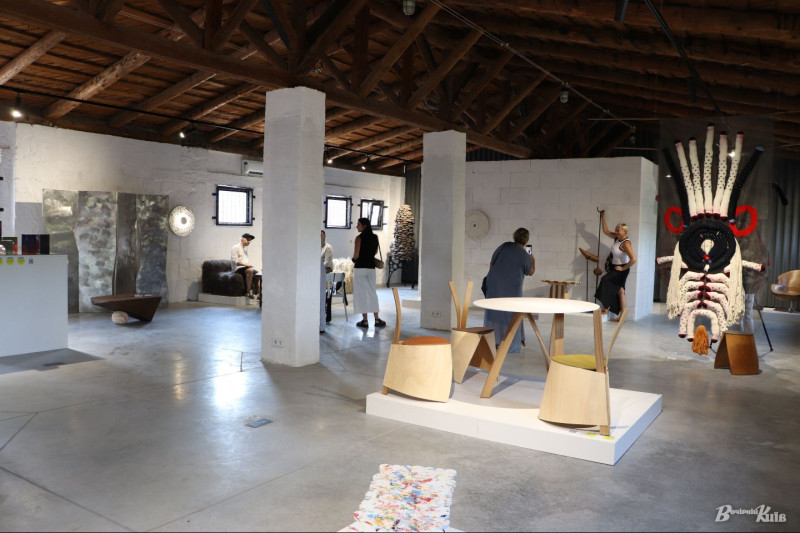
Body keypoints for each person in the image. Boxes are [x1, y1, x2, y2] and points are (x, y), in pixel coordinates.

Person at [483, 228, 536, 353]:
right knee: (513, 313)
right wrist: (532, 258)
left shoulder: (504, 246)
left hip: (493, 283)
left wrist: (494, 278)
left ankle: (492, 341)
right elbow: (530, 272)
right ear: (526, 240)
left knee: (494, 311)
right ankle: (510, 342)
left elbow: (491, 263)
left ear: (514, 236)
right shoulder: (525, 254)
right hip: (512, 287)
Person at [594, 211, 636, 321]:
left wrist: (623, 268)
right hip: (615, 267)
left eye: (618, 230)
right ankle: (622, 317)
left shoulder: (626, 243)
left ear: (624, 231)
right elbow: (606, 231)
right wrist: (603, 217)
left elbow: (633, 259)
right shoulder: (617, 238)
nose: (616, 232)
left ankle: (606, 307)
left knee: (605, 280)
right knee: (620, 291)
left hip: (621, 270)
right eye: (616, 230)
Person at [352, 217, 386, 329]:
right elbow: (375, 252)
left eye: (358, 224)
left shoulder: (358, 238)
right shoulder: (375, 237)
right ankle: (377, 319)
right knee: (372, 292)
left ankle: (365, 321)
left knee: (361, 293)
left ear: (364, 226)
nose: (357, 226)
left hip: (360, 268)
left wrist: (353, 259)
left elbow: (356, 255)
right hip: (371, 268)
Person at [231, 232, 257, 299]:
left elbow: (245, 261)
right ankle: (248, 292)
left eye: (250, 240)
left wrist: (247, 265)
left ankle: (260, 295)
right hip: (237, 268)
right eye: (248, 239)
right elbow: (234, 261)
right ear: (242, 239)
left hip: (244, 268)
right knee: (250, 270)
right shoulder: (235, 247)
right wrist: (246, 265)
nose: (249, 241)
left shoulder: (245, 249)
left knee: (258, 274)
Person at [321, 230, 334, 324]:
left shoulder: (328, 247)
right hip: (319, 270)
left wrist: (317, 267)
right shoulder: (316, 246)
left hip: (326, 270)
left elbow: (326, 262)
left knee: (326, 292)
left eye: (321, 235)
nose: (320, 237)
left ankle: (326, 316)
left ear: (325, 236)